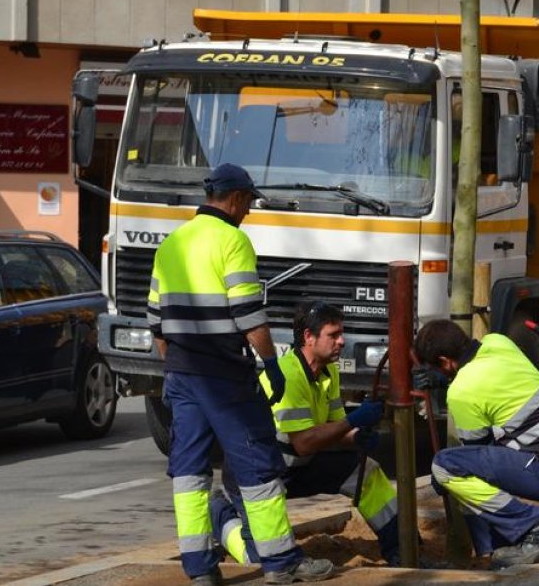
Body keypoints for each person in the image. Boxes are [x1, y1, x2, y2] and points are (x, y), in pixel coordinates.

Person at [148, 163, 333, 585]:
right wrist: (271, 364)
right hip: (225, 379)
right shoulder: (234, 241)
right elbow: (250, 318)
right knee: (258, 466)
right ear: (234, 198)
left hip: (181, 375)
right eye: (249, 202)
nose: (249, 211)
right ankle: (280, 563)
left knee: (189, 472)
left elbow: (156, 323)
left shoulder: (171, 244)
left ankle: (199, 570)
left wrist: (178, 369)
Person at [209, 302, 399, 567]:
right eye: (333, 335)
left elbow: (332, 427)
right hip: (256, 475)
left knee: (366, 472)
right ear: (309, 337)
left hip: (295, 468)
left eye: (341, 333)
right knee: (260, 559)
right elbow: (304, 442)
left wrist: (354, 436)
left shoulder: (328, 370)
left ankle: (399, 546)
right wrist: (353, 421)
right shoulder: (289, 374)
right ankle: (220, 515)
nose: (341, 341)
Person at [412, 320, 539, 569]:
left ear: (444, 362)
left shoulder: (461, 392)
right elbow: (491, 380)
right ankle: (503, 549)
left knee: (447, 467)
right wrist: (450, 379)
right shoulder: (499, 341)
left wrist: (451, 384)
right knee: (466, 468)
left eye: (437, 368)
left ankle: (538, 528)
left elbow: (475, 453)